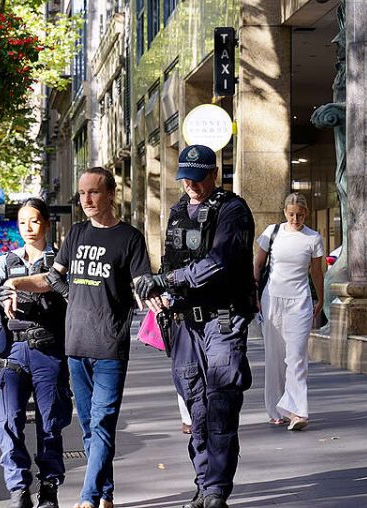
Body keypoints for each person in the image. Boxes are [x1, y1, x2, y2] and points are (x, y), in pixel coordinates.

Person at [0, 168, 153, 508]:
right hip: (75, 345)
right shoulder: (77, 234)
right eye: (83, 193)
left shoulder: (129, 238)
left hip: (110, 346)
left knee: (102, 422)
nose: (86, 199)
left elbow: (143, 280)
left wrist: (153, 295)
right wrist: (16, 284)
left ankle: (88, 497)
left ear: (111, 193)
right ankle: (107, 493)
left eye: (94, 192)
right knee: (87, 426)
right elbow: (53, 277)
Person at [136, 144, 256, 508]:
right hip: (185, 322)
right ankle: (204, 484)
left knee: (220, 404)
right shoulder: (177, 212)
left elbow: (218, 262)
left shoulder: (233, 210)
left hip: (222, 320)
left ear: (214, 173)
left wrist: (168, 280)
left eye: (198, 177)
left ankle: (217, 489)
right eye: (185, 177)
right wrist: (156, 288)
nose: (191, 184)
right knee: (196, 406)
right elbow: (171, 263)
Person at [0, 198, 73, 508]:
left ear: (46, 223)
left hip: (49, 350)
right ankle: (18, 489)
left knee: (50, 423)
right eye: (22, 222)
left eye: (33, 221)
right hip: (13, 352)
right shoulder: (6, 261)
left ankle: (48, 488)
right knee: (6, 422)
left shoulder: (59, 260)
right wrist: (4, 291)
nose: (28, 228)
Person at [253, 193, 324, 431]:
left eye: (300, 214)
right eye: (292, 214)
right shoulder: (271, 233)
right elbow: (258, 265)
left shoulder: (313, 238)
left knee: (296, 357)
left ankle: (297, 412)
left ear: (307, 214)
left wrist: (320, 297)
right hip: (272, 299)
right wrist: (254, 296)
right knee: (275, 356)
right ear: (285, 212)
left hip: (300, 302)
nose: (296, 218)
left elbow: (316, 272)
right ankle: (275, 408)